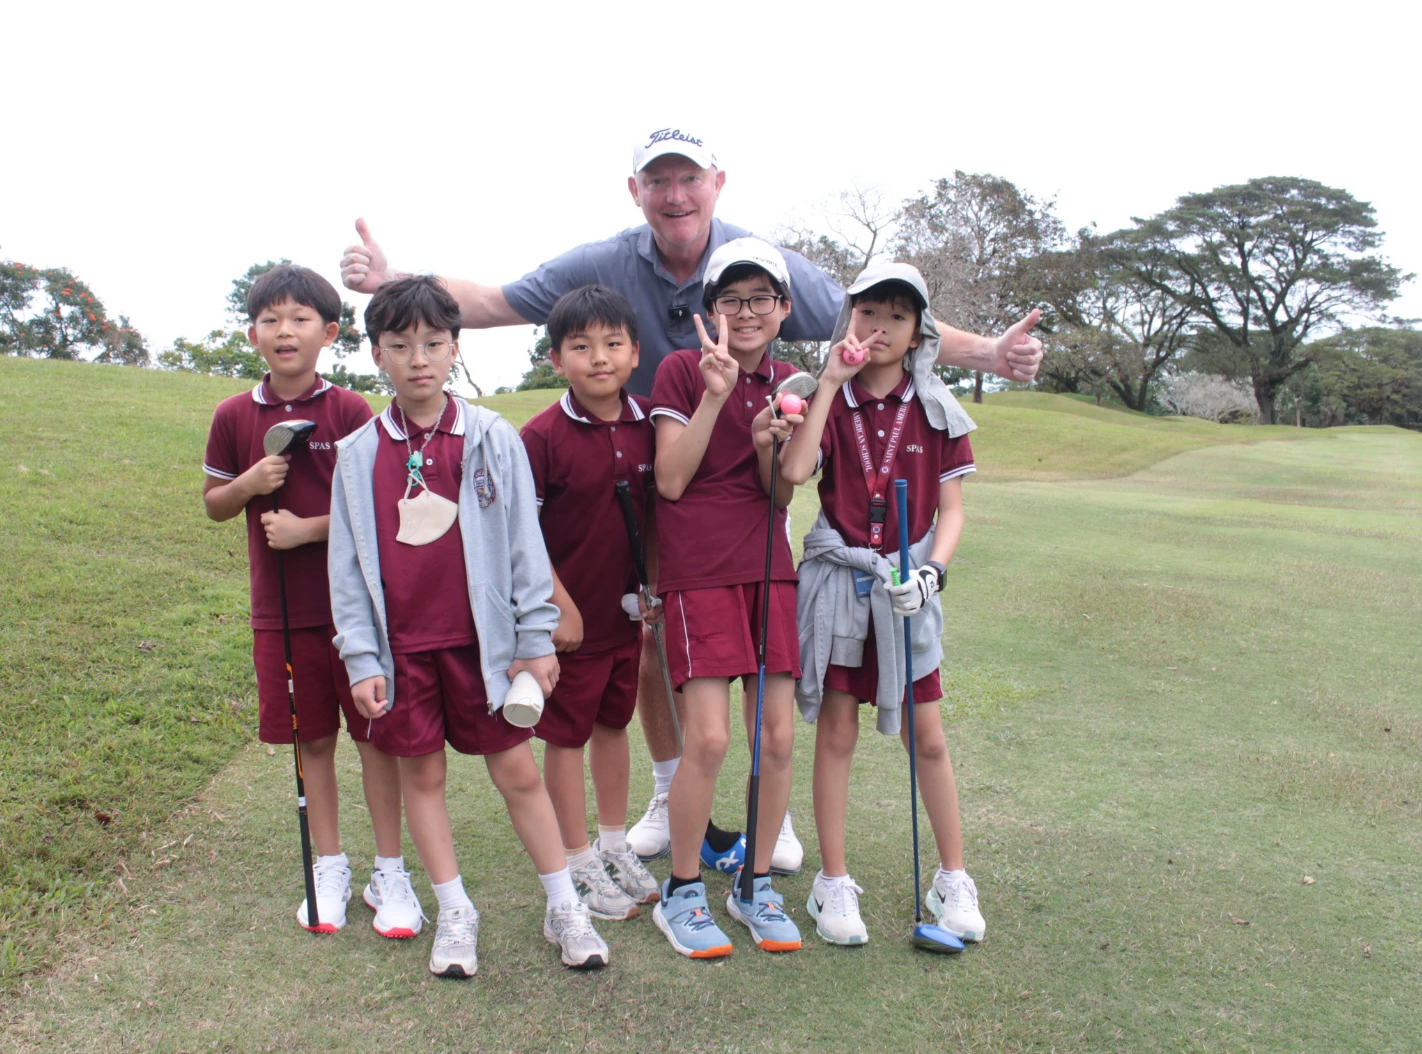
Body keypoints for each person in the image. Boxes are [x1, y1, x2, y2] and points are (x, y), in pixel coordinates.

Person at [337, 125, 1044, 871]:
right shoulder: (603, 262)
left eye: (689, 179)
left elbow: (871, 320)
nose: (675, 195)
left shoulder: (759, 265)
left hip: (739, 499)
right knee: (650, 648)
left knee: (749, 686)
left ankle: (766, 813)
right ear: (636, 190)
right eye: (658, 180)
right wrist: (394, 281)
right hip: (642, 474)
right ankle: (670, 791)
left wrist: (988, 353)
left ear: (717, 184)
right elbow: (492, 302)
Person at [327, 275, 612, 977]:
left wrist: (534, 641)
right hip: (402, 654)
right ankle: (455, 912)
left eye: (433, 343)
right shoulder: (356, 454)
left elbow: (525, 549)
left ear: (455, 347)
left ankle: (564, 906)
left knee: (517, 772)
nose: (418, 359)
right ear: (376, 355)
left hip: (485, 649)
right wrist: (362, 659)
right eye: (400, 346)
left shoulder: (491, 437)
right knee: (421, 777)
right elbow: (346, 570)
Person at [201, 264, 421, 938]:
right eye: (270, 319)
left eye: (299, 319)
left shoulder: (349, 410)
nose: (284, 330)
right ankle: (329, 864)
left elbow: (381, 507)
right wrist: (250, 482)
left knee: (376, 738)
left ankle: (390, 870)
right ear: (252, 334)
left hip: (357, 611)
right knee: (313, 740)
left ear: (328, 332)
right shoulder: (234, 415)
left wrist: (309, 529)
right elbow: (214, 505)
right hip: (282, 613)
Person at [777, 263, 986, 946]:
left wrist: (932, 573)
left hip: (907, 590)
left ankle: (952, 877)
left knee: (928, 738)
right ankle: (832, 882)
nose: (881, 327)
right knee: (836, 733)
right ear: (849, 320)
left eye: (898, 316)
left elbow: (952, 510)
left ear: (919, 332)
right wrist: (828, 381)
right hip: (843, 586)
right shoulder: (825, 397)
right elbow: (794, 471)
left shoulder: (937, 407)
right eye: (868, 312)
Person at [646, 238, 808, 959]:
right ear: (710, 309)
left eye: (760, 298)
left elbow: (780, 495)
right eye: (731, 299)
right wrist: (716, 396)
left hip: (770, 567)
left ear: (783, 308)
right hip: (699, 571)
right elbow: (671, 480)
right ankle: (683, 890)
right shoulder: (683, 371)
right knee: (709, 739)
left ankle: (755, 884)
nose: (745, 312)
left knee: (777, 737)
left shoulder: (788, 384)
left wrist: (768, 442)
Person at [518, 285, 664, 919]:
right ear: (557, 359)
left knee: (613, 725)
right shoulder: (541, 437)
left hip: (625, 617)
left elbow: (660, 513)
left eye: (612, 343)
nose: (599, 357)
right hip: (568, 625)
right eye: (580, 346)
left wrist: (654, 584)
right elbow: (521, 536)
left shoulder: (652, 422)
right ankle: (576, 858)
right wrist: (561, 607)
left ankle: (613, 844)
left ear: (635, 352)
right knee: (566, 736)